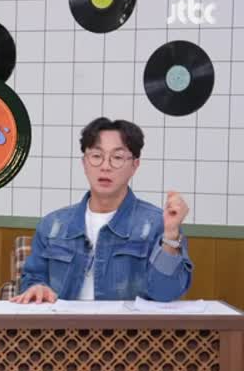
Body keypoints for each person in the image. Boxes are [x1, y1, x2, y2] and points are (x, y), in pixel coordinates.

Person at [11, 117, 193, 303]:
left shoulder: (158, 224)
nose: (105, 167)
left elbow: (166, 293)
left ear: (134, 165)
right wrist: (36, 287)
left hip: (127, 323)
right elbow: (31, 280)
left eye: (117, 158)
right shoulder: (53, 225)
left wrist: (171, 235)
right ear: (84, 163)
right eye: (97, 156)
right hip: (63, 322)